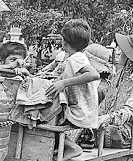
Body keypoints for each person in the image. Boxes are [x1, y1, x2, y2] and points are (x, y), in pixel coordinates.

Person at [46, 19, 100, 160]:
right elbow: (60, 78)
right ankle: (64, 147)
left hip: (80, 111)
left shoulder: (77, 58)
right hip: (85, 110)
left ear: (64, 42)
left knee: (44, 118)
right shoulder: (75, 57)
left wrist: (64, 83)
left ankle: (72, 147)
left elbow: (94, 74)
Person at [98, 31, 133, 148]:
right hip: (115, 124)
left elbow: (129, 110)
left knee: (99, 134)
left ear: (129, 56)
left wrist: (108, 118)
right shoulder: (120, 74)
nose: (119, 52)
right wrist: (96, 117)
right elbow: (107, 101)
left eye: (122, 51)